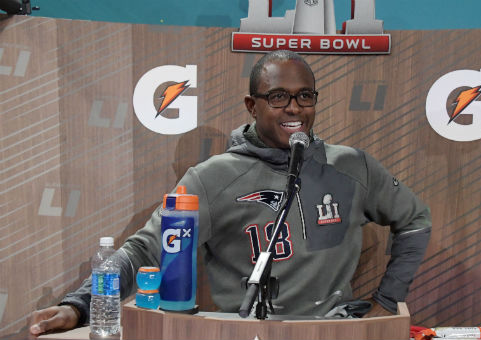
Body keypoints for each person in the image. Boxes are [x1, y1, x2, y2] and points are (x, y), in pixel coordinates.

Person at [29, 50, 431, 335]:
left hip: (335, 331)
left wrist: (387, 299)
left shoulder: (351, 166)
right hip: (245, 333)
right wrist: (78, 305)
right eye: (278, 97)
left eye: (305, 96)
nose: (294, 108)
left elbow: (414, 220)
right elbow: (145, 250)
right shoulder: (211, 178)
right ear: (251, 105)